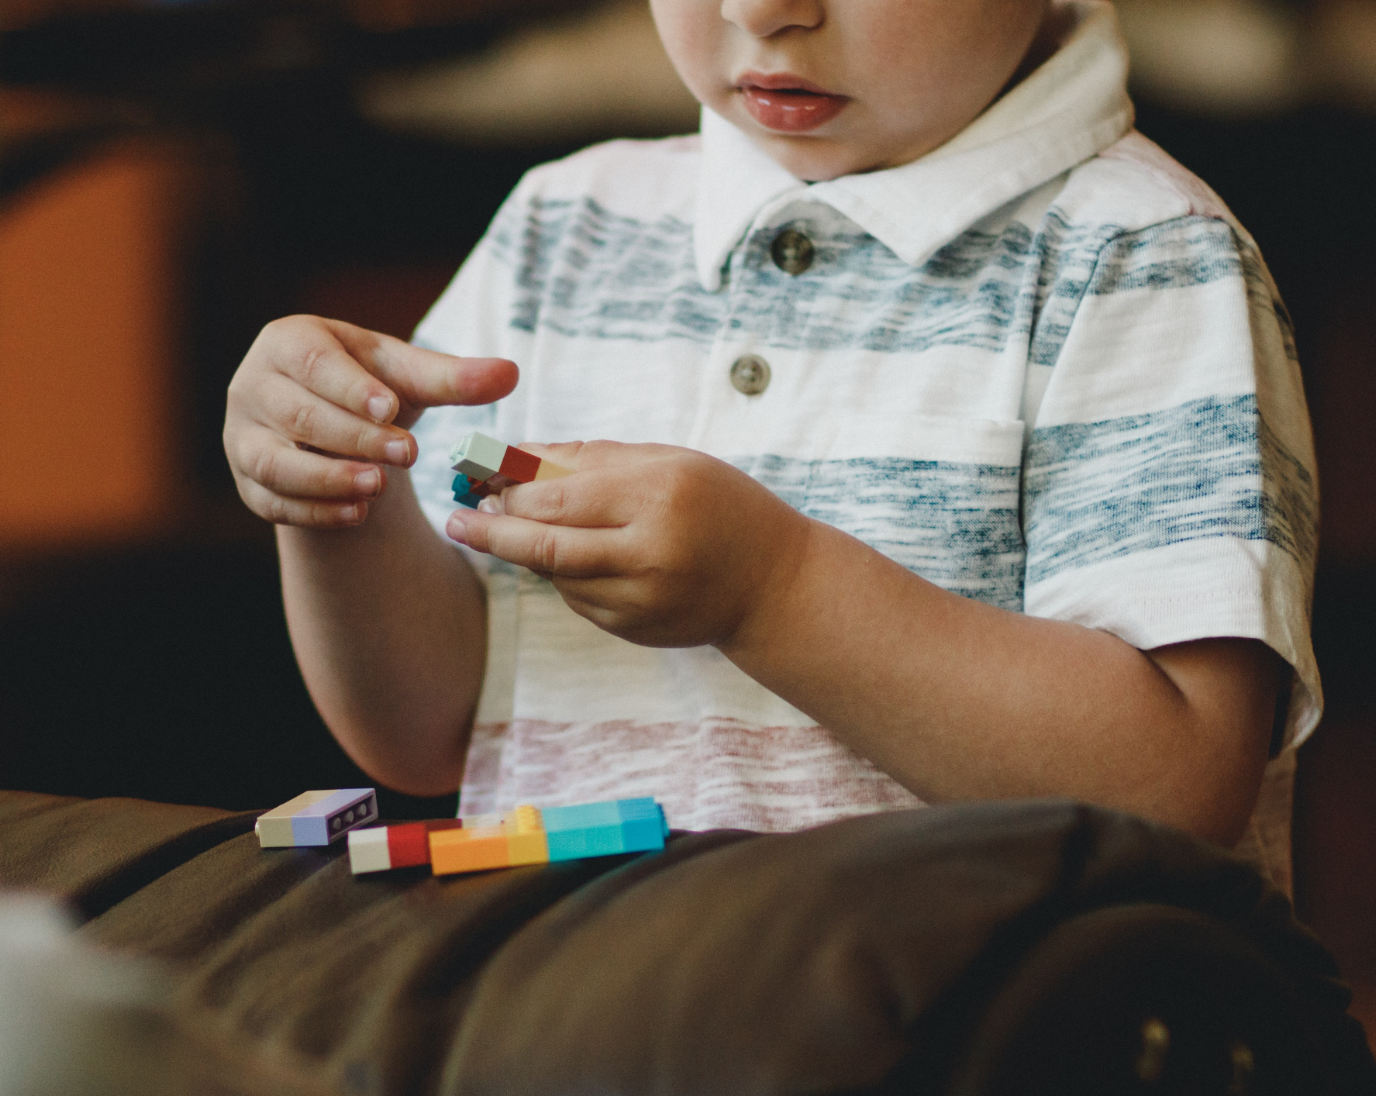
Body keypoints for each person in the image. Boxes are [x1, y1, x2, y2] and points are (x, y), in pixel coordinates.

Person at [222, 0, 1320, 891]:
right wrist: (338, 498)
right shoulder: (565, 224)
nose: (761, 12)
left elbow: (1174, 785)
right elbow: (429, 730)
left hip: (984, 1034)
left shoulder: (1139, 257)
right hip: (573, 1016)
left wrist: (774, 589)